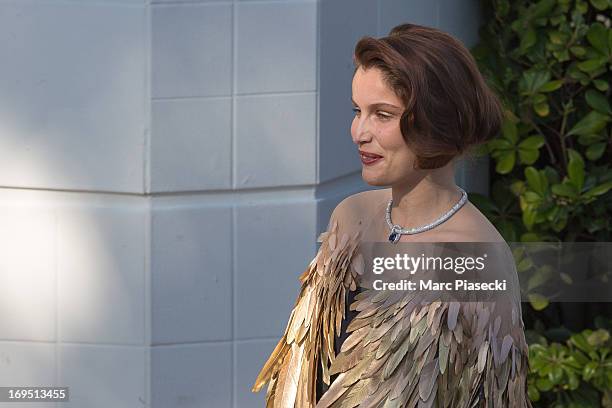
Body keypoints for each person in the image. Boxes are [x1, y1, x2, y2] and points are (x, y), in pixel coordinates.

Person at [251, 23, 532, 407]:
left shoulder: (477, 256)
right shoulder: (351, 217)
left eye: (382, 115)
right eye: (357, 111)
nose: (358, 132)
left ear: (437, 121)